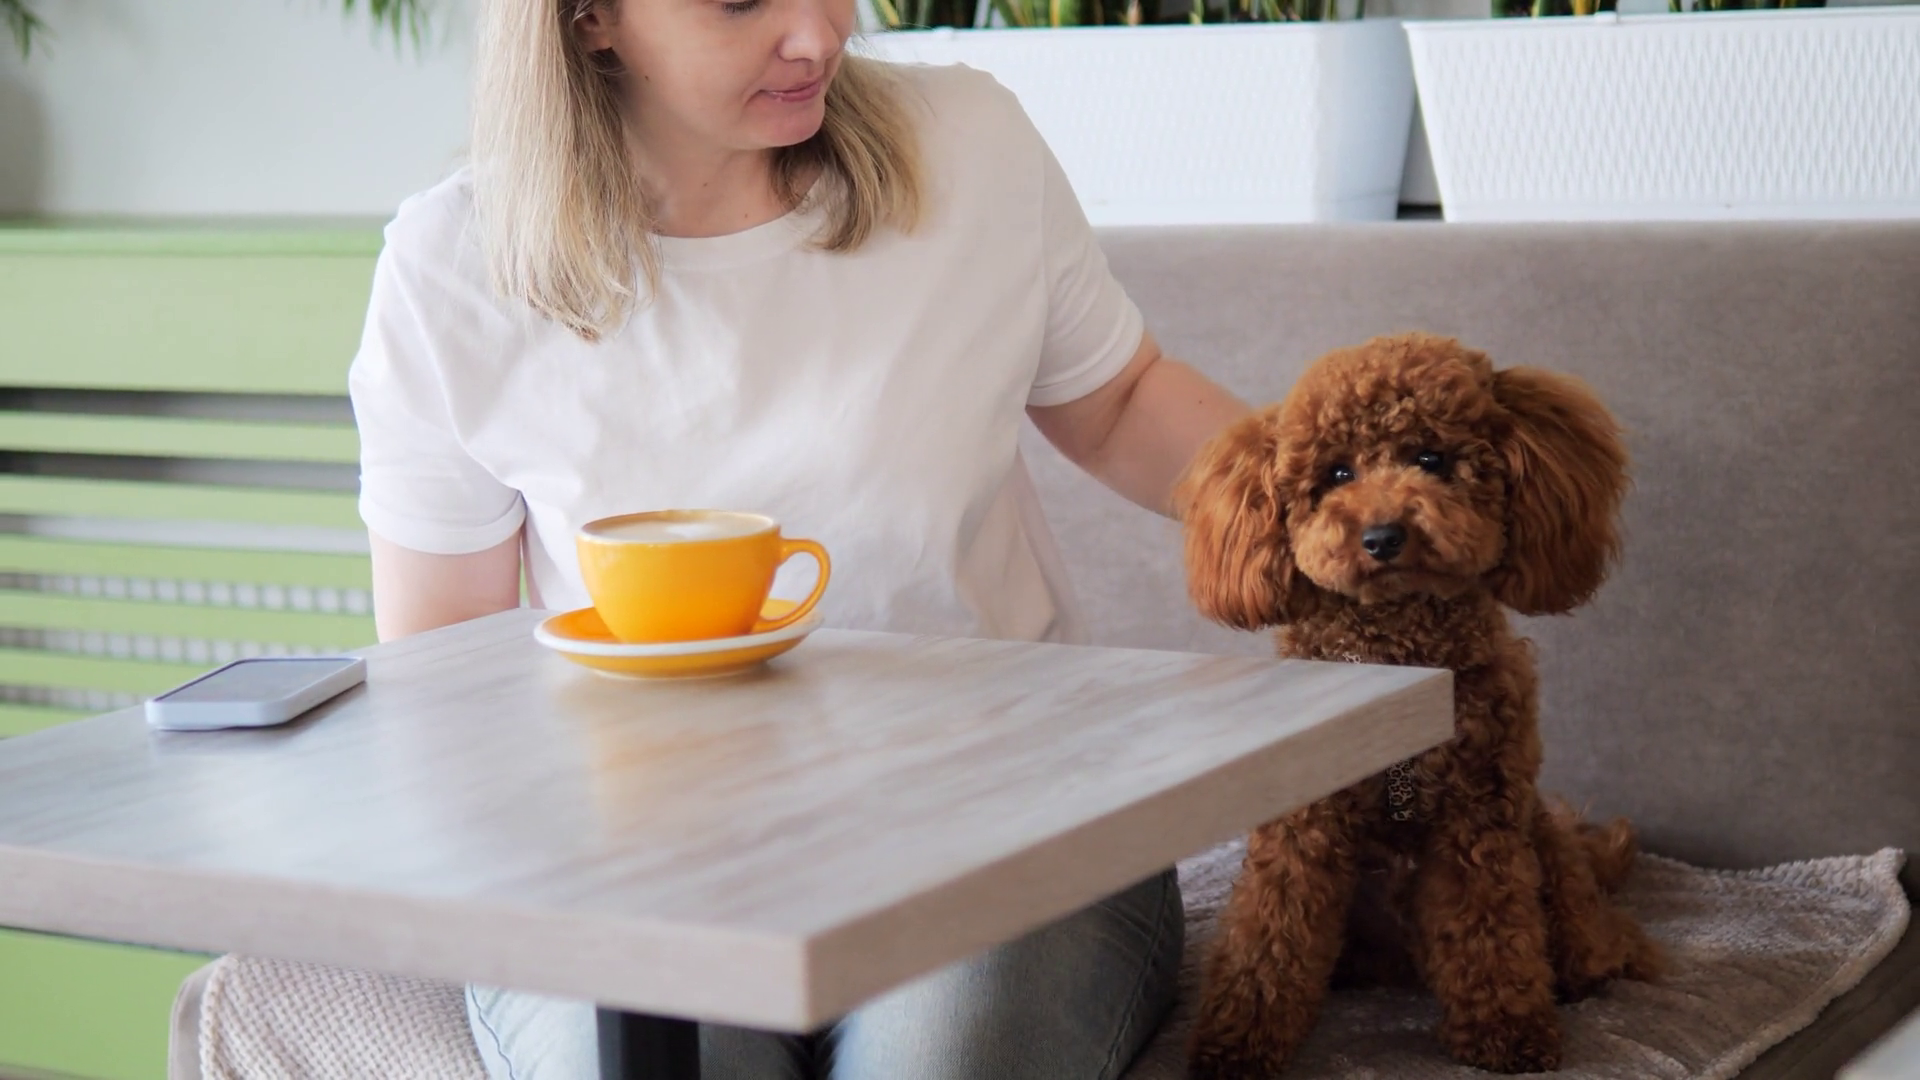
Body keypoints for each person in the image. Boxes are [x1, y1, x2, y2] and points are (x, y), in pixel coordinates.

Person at [346, 0, 1251, 1074]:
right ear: (589, 20)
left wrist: (1341, 502)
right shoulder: (455, 264)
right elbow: (445, 666)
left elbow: (1120, 404)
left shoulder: (968, 144)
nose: (819, 36)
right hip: (632, 859)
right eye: (740, 3)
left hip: (1005, 818)